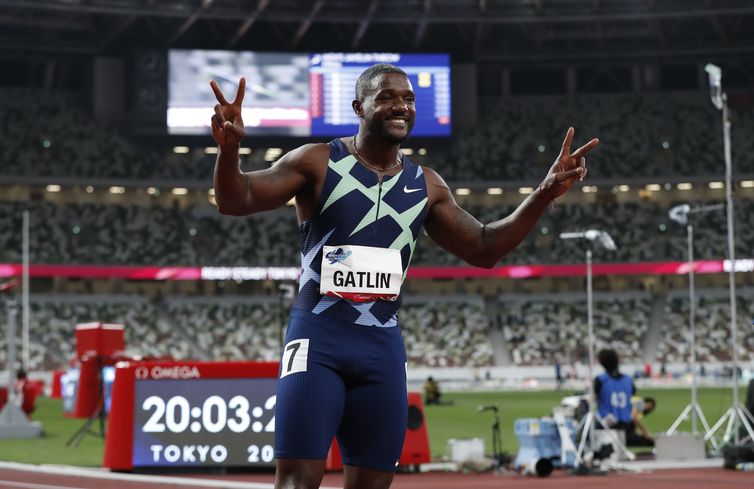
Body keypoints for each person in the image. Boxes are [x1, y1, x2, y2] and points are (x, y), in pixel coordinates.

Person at [210, 63, 598, 489]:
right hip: (317, 342)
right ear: (359, 107)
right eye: (387, 97)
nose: (401, 106)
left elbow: (485, 247)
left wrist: (542, 195)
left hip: (382, 351)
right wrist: (229, 150)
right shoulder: (318, 162)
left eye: (409, 99)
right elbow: (236, 199)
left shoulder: (425, 185)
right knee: (297, 483)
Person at [594, 349, 653, 447]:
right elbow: (632, 399)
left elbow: (592, 399)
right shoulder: (628, 380)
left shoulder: (600, 380)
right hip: (627, 426)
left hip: (607, 426)